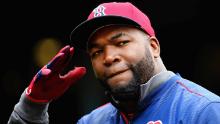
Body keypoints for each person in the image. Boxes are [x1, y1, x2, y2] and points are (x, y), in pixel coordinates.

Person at [8, 2, 220, 124]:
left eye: (121, 42)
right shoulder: (92, 122)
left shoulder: (204, 111)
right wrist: (31, 108)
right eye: (96, 52)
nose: (108, 57)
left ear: (154, 46)